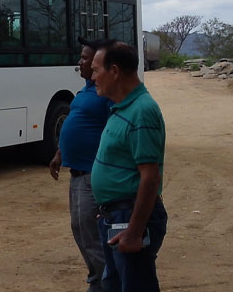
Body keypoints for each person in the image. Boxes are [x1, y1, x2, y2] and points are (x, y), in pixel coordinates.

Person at [90, 41, 167, 291]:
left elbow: (150, 178)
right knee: (113, 283)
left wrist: (134, 232)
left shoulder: (143, 111)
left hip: (130, 218)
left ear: (114, 71)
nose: (93, 78)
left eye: (95, 70)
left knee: (135, 285)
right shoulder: (122, 106)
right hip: (116, 215)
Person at [49, 37, 111, 292]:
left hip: (91, 173)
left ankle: (108, 282)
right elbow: (77, 123)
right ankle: (98, 279)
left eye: (86, 58)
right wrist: (60, 152)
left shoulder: (106, 93)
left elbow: (113, 130)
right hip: (76, 173)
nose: (80, 62)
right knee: (79, 229)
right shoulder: (86, 89)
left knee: (91, 233)